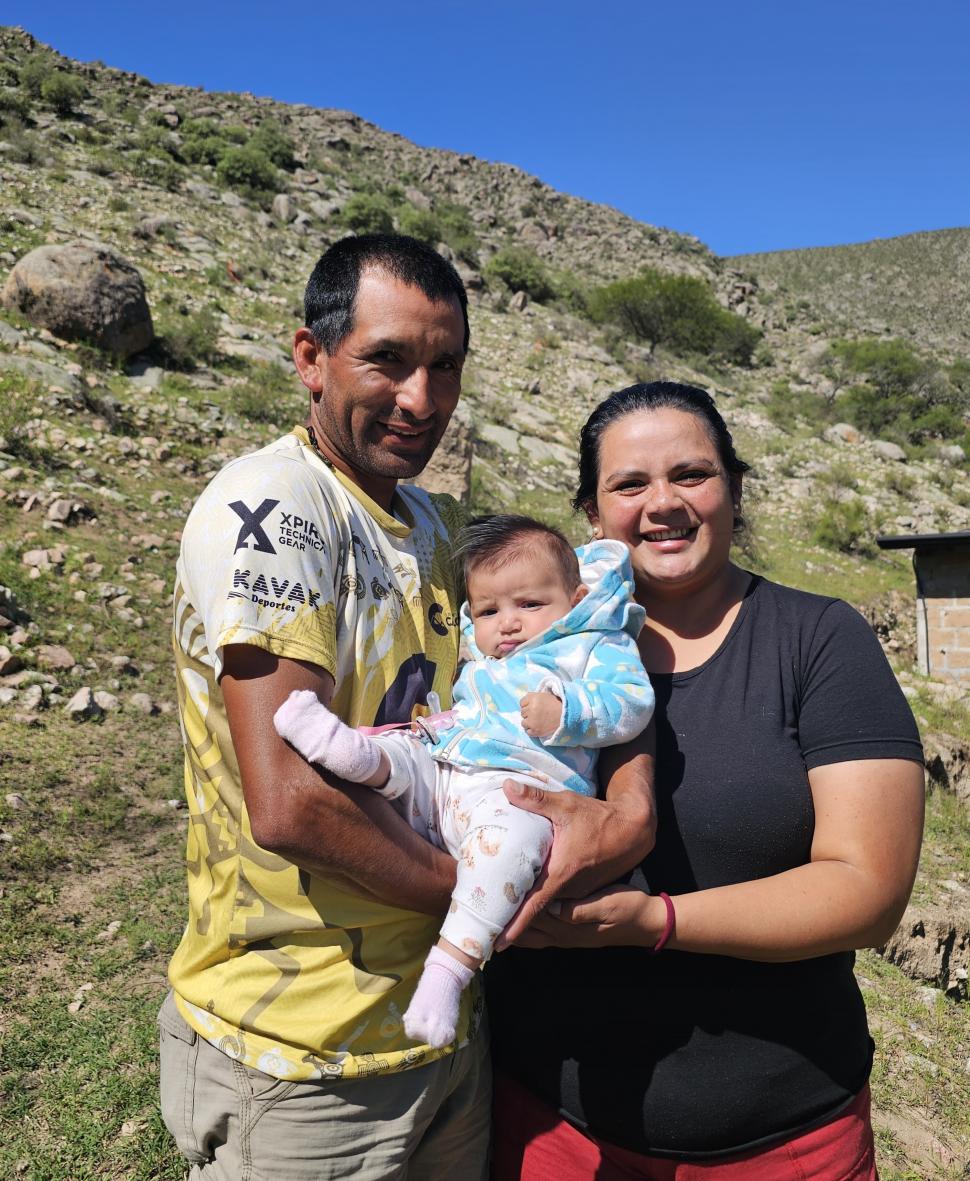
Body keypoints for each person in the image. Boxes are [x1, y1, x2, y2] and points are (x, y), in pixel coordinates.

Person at [486, 380, 925, 1180]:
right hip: (551, 1121)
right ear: (593, 515)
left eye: (691, 473)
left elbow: (870, 888)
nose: (663, 503)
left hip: (781, 1137)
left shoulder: (818, 640)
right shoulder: (522, 637)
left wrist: (655, 920)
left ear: (735, 487)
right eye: (629, 483)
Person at [160, 234, 487, 1179]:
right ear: (310, 356)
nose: (422, 400)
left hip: (437, 1025)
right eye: (386, 359)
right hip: (301, 1054)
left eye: (445, 367)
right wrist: (480, 904)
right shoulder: (275, 505)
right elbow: (291, 800)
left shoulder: (428, 521)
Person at [273, 515, 655, 1050]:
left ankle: (449, 970)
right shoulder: (484, 654)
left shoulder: (592, 645)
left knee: (513, 846)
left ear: (577, 597)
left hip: (519, 794)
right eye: (489, 611)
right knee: (407, 753)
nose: (508, 624)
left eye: (530, 605)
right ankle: (349, 751)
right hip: (449, 768)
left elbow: (632, 704)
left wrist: (568, 710)